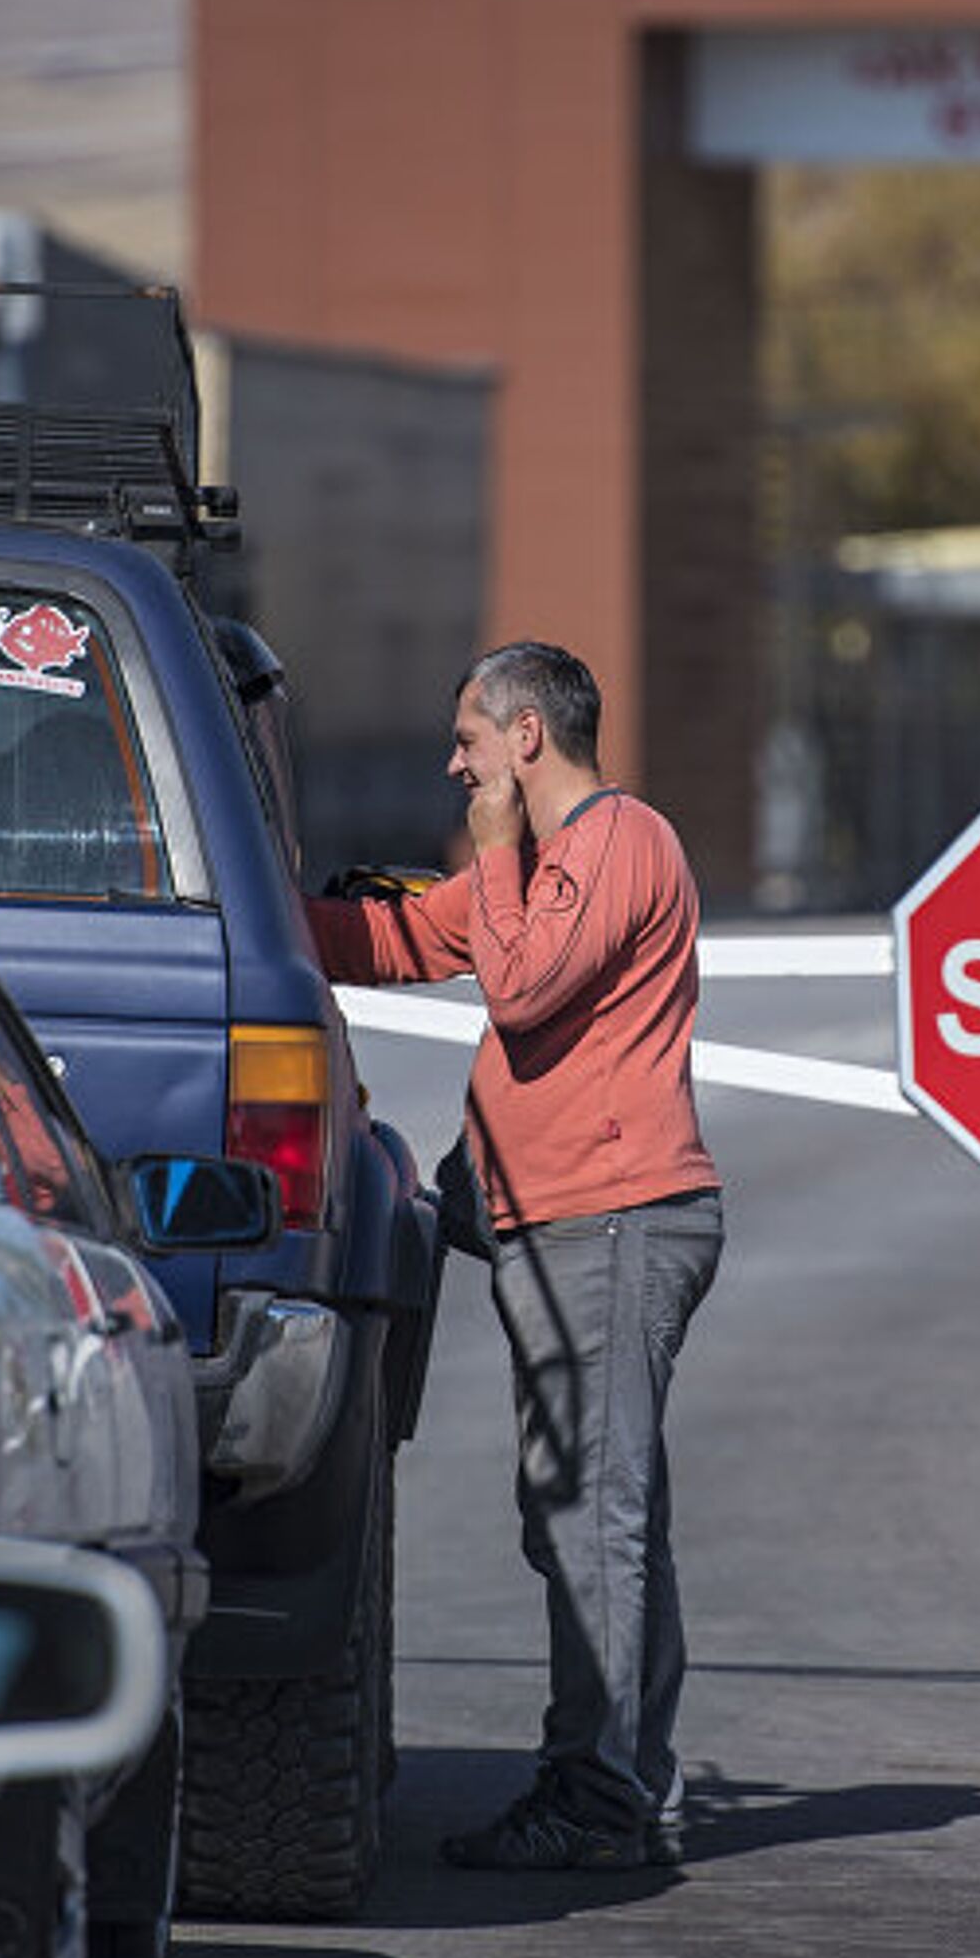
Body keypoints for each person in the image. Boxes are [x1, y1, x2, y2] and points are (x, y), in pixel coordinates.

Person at [308, 639, 723, 1871]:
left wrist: (491, 847)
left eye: (471, 743)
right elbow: (397, 943)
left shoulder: (618, 841)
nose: (455, 764)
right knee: (599, 1515)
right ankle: (628, 1785)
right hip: (566, 1226)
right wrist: (232, 899)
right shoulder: (540, 865)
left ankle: (597, 1804)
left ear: (526, 737)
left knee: (590, 1518)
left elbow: (526, 987)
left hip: (613, 1220)